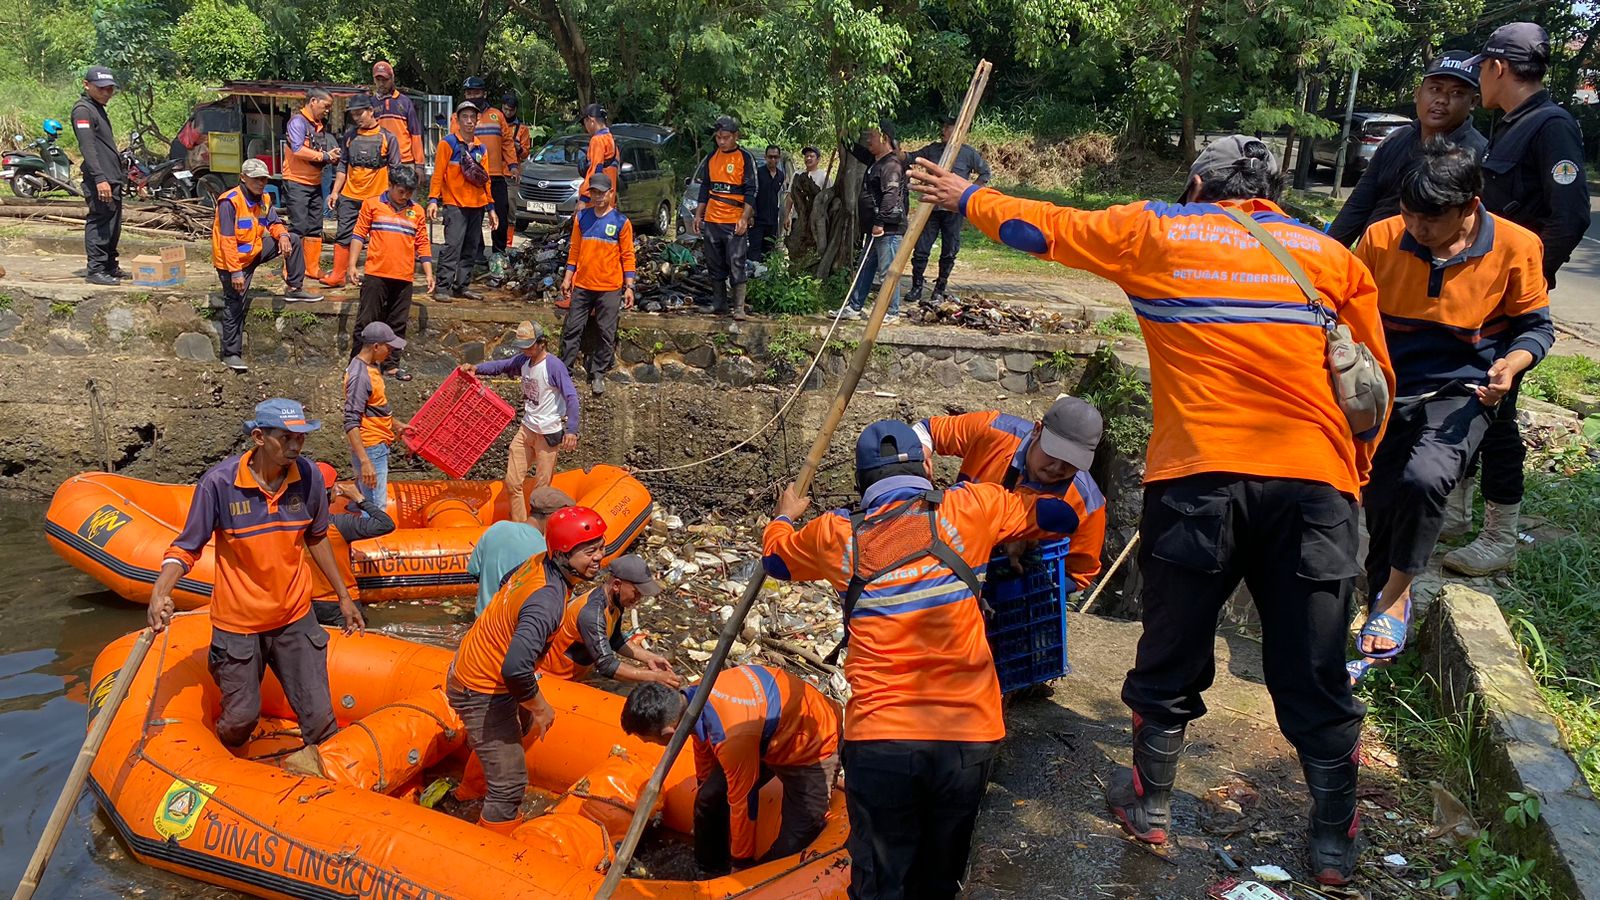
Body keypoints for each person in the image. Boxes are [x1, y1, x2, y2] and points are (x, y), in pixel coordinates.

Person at [911, 135, 1394, 887]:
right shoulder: (1329, 257)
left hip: (1199, 480)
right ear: (1267, 191)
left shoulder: (1162, 229)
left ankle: (1151, 807)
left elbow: (1043, 228)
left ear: (1197, 183)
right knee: (1314, 665)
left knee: (1173, 649)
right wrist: (1348, 478)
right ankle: (1334, 844)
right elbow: (1374, 389)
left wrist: (963, 196)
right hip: (1315, 486)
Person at [761, 420, 1079, 899]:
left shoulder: (835, 535)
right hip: (967, 738)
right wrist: (1019, 518)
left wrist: (784, 518)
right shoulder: (974, 506)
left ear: (862, 480)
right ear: (928, 468)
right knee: (940, 875)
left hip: (882, 739)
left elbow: (777, 562)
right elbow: (1059, 518)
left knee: (879, 880)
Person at [1350, 140, 1552, 676]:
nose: (1415, 227)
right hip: (1386, 383)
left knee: (1426, 478)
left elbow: (1536, 326)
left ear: (1469, 206)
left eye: (1430, 219)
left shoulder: (1516, 246)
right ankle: (1377, 595)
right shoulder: (1381, 237)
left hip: (1464, 388)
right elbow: (1343, 303)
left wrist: (1512, 365)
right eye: (1408, 213)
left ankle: (1395, 595)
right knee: (1381, 494)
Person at [147, 399, 364, 777]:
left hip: (294, 616)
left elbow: (316, 537)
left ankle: (329, 794)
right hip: (239, 623)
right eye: (287, 438)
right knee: (241, 717)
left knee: (318, 715)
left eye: (301, 438)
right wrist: (161, 591)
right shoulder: (220, 484)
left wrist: (344, 595)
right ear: (259, 437)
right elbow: (186, 547)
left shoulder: (309, 478)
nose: (296, 447)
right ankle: (230, 776)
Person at [1445, 22, 1592, 577]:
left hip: (1509, 304)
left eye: (1481, 69)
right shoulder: (1513, 126)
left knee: (1497, 410)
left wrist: (1526, 280)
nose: (1479, 79)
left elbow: (1570, 215)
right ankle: (1455, 512)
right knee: (1466, 391)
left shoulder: (1550, 127)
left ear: (1497, 68)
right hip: (1480, 297)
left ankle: (1500, 536)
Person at [447, 506, 606, 833]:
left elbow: (506, 584)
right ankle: (489, 854)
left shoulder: (539, 564)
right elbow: (516, 669)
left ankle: (468, 793)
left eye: (601, 547)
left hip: (479, 667)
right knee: (510, 785)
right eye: (590, 551)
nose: (599, 558)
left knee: (516, 726)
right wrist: (541, 706)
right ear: (563, 553)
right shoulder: (546, 600)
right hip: (481, 687)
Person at [621, 666, 841, 875]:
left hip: (810, 745)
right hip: (764, 732)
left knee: (796, 841)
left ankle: (752, 881)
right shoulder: (692, 699)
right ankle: (709, 868)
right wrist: (703, 790)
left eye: (649, 741)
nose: (650, 744)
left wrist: (741, 862)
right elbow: (702, 745)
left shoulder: (732, 738)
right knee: (708, 797)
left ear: (669, 732)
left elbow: (744, 802)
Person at [913, 397, 1108, 591]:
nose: (1057, 468)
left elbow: (1080, 575)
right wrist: (918, 459)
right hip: (945, 553)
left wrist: (1036, 580)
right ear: (1037, 430)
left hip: (1015, 591)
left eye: (1071, 462)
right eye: (1052, 453)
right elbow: (927, 430)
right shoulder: (994, 431)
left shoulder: (1088, 503)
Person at [1327, 52, 1486, 247]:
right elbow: (1358, 205)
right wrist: (1327, 253)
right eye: (1435, 89)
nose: (1442, 100)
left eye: (1456, 93)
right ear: (1418, 93)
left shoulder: (1477, 154)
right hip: (1371, 257)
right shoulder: (1396, 139)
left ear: (1473, 102)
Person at [459, 321, 581, 523]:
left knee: (542, 490)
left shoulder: (553, 366)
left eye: (530, 345)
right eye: (523, 346)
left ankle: (539, 530)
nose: (526, 350)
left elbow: (571, 396)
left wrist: (571, 430)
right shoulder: (524, 361)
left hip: (548, 433)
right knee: (513, 482)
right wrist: (477, 368)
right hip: (527, 428)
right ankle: (519, 525)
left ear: (542, 343)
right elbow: (502, 365)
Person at [212, 159, 320, 373]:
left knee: (293, 238)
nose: (261, 183)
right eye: (256, 179)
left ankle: (294, 288)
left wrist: (282, 236)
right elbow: (227, 241)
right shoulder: (229, 202)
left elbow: (273, 222)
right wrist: (235, 272)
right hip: (232, 264)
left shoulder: (264, 199)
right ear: (243, 178)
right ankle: (231, 354)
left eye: (263, 179)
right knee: (234, 304)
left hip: (254, 251)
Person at [346, 164, 433, 382]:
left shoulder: (417, 212)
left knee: (397, 323)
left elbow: (422, 243)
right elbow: (358, 234)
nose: (405, 196)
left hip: (404, 276)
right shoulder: (373, 205)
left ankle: (392, 365)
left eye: (410, 192)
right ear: (391, 186)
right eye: (401, 191)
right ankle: (358, 364)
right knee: (366, 320)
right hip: (376, 274)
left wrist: (429, 273)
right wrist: (352, 265)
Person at [538, 553, 679, 685]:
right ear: (617, 585)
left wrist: (650, 658)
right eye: (636, 593)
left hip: (575, 677)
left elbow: (615, 639)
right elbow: (606, 665)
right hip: (552, 678)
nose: (638, 599)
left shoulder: (616, 602)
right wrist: (654, 676)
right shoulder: (592, 614)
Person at [560, 172, 637, 393]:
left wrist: (629, 286)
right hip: (583, 285)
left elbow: (628, 256)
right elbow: (574, 250)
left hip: (610, 288)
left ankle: (598, 373)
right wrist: (567, 278)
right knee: (573, 328)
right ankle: (565, 371)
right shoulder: (582, 218)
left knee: (606, 332)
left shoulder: (621, 222)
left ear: (611, 193)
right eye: (594, 193)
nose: (598, 197)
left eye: (602, 193)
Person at [906, 114, 991, 303]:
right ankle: (916, 286)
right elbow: (911, 157)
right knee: (921, 248)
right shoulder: (933, 150)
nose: (943, 130)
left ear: (958, 131)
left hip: (953, 210)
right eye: (943, 127)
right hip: (931, 209)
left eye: (947, 127)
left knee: (949, 250)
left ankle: (939, 288)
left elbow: (985, 172)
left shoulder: (968, 153)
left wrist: (970, 191)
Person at [321, 94, 400, 289]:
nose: (357, 118)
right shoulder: (349, 136)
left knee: (379, 237)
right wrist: (334, 192)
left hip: (377, 198)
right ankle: (339, 274)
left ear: (371, 111)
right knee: (344, 234)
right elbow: (342, 166)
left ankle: (377, 276)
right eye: (354, 115)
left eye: (360, 113)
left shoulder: (388, 138)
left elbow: (396, 171)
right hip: (350, 195)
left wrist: (395, 199)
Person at [308, 461, 397, 627]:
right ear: (330, 492)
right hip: (343, 603)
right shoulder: (342, 525)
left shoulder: (292, 526)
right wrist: (359, 499)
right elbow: (386, 524)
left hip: (308, 605)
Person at [468, 486, 574, 616]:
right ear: (552, 517)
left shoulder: (496, 528)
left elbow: (474, 571)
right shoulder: (545, 552)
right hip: (514, 628)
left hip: (481, 622)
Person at [429, 100, 497, 301]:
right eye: (464, 117)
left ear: (477, 121)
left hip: (477, 205)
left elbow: (486, 179)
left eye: (472, 118)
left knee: (471, 247)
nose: (469, 121)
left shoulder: (481, 148)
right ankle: (442, 287)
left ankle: (462, 285)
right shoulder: (448, 143)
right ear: (457, 120)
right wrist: (433, 199)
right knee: (453, 246)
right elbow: (438, 173)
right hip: (455, 203)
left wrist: (491, 208)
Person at [690, 116, 758, 318]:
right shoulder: (712, 158)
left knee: (736, 262)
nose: (721, 141)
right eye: (718, 138)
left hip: (733, 220)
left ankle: (738, 307)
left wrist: (744, 218)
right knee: (714, 262)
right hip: (712, 219)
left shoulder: (745, 158)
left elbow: (752, 191)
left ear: (735, 136)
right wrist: (698, 215)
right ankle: (719, 303)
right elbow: (705, 188)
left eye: (726, 138)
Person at [344, 322, 411, 514]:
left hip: (374, 444)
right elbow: (351, 422)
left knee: (365, 499)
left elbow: (374, 408)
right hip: (371, 448)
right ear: (376, 346)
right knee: (375, 508)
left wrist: (395, 425)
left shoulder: (370, 366)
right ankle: (369, 541)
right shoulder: (360, 376)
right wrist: (366, 461)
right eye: (388, 348)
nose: (390, 353)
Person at [847, 122, 907, 322]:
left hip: (887, 229)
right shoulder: (876, 161)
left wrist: (880, 222)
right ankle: (854, 307)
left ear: (885, 138)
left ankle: (892, 312)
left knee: (887, 271)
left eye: (871, 136)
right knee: (865, 267)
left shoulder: (891, 165)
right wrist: (843, 138)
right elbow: (859, 152)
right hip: (875, 229)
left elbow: (891, 195)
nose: (868, 140)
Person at [72, 65, 124, 286]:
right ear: (87, 85)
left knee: (114, 224)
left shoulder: (98, 109)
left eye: (110, 89)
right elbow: (88, 148)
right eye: (101, 89)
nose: (106, 93)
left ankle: (110, 265)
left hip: (112, 177)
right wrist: (100, 178)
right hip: (100, 179)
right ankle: (96, 269)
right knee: (100, 221)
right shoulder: (83, 110)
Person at [283, 87, 340, 282]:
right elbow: (298, 149)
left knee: (315, 227)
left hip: (315, 182)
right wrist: (324, 155)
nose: (327, 111)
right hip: (296, 181)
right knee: (298, 227)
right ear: (313, 101)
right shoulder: (297, 122)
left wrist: (331, 157)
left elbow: (322, 151)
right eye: (326, 106)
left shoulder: (320, 127)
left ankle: (312, 268)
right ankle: (290, 269)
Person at [464, 76, 519, 272]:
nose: (473, 96)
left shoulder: (497, 115)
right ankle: (477, 252)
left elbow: (507, 143)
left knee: (501, 215)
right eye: (470, 93)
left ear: (484, 93)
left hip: (495, 175)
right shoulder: (462, 116)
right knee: (474, 216)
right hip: (471, 177)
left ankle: (498, 250)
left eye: (476, 93)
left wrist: (513, 165)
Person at [372, 61, 423, 168]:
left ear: (392, 78)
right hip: (380, 161)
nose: (381, 83)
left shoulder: (405, 102)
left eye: (385, 80)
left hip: (405, 161)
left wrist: (419, 165)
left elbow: (415, 133)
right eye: (378, 80)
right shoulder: (370, 104)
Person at [501, 91, 533, 250]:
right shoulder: (496, 124)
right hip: (494, 173)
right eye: (505, 109)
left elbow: (526, 153)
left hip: (511, 176)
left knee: (510, 211)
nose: (507, 113)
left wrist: (518, 148)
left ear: (515, 110)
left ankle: (507, 245)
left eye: (511, 110)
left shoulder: (522, 129)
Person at [578, 103, 619, 211]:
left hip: (595, 203)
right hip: (608, 201)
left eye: (584, 122)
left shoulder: (597, 140)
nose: (585, 127)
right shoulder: (611, 139)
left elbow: (595, 170)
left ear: (590, 120)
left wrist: (584, 198)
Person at [749, 144, 786, 262]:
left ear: (779, 158)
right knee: (755, 250)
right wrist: (751, 214)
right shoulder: (758, 174)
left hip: (772, 220)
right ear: (766, 157)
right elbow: (751, 195)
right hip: (758, 219)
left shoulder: (781, 175)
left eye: (776, 157)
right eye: (770, 157)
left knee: (769, 250)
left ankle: (765, 276)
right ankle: (753, 277)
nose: (773, 160)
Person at [784, 145, 832, 228]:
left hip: (816, 219)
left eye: (811, 156)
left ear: (818, 159)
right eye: (806, 156)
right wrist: (786, 216)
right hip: (798, 218)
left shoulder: (824, 176)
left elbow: (830, 198)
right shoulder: (797, 174)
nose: (808, 158)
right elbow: (790, 197)